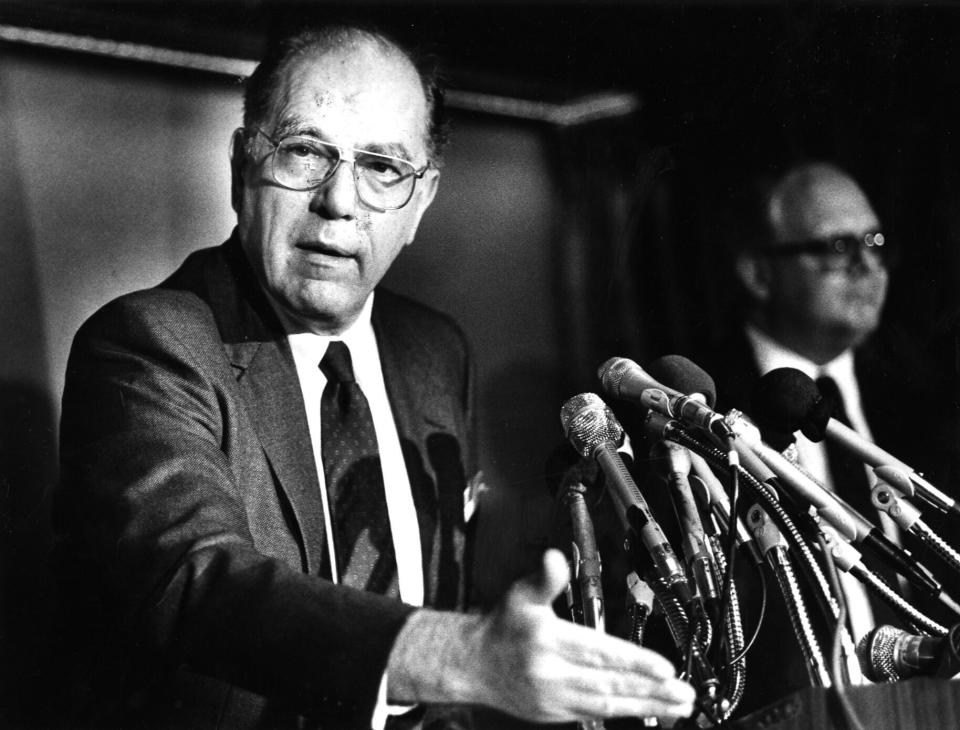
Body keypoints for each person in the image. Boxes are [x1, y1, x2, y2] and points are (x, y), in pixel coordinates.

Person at [53, 24, 695, 730]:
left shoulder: (435, 352)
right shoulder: (150, 343)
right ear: (242, 169)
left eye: (383, 168)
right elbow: (199, 583)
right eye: (304, 151)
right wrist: (466, 656)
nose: (339, 200)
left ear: (421, 202)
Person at [695, 161, 958, 714]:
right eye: (838, 247)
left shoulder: (929, 395)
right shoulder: (701, 410)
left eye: (875, 242)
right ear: (758, 273)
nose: (869, 266)